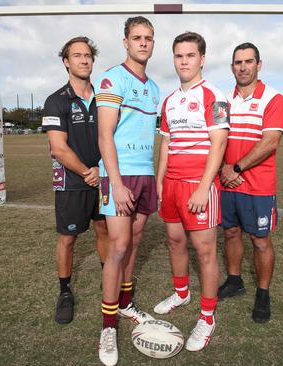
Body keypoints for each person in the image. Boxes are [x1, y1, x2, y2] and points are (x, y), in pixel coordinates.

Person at [154, 31, 229, 352]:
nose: (184, 61)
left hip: (199, 186)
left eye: (190, 55)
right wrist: (159, 182)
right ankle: (181, 293)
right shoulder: (169, 100)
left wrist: (203, 187)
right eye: (179, 56)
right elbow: (167, 144)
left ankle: (207, 316)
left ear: (202, 59)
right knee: (174, 241)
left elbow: (220, 143)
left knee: (205, 251)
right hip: (171, 185)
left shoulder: (215, 95)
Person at [95, 16, 159, 366]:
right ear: (125, 42)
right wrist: (116, 183)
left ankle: (126, 304)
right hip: (118, 177)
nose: (143, 43)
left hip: (146, 175)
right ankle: (107, 326)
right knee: (118, 247)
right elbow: (105, 136)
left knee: (134, 242)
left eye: (148, 38)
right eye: (137, 38)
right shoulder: (112, 78)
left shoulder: (155, 88)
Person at [41, 36, 109, 325]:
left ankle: (110, 278)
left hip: (103, 178)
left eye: (88, 55)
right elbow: (58, 147)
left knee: (105, 229)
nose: (84, 60)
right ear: (66, 61)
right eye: (77, 56)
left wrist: (101, 171)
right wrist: (87, 172)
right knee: (68, 238)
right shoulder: (56, 100)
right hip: (73, 181)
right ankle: (65, 291)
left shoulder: (106, 97)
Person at [217, 42, 283, 324]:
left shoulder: (274, 98)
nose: (243, 67)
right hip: (227, 184)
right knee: (231, 233)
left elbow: (270, 142)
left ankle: (263, 292)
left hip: (257, 186)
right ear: (232, 66)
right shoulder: (223, 100)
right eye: (238, 62)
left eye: (248, 61)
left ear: (259, 64)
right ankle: (235, 280)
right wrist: (224, 170)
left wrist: (235, 167)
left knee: (260, 241)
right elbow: (218, 138)